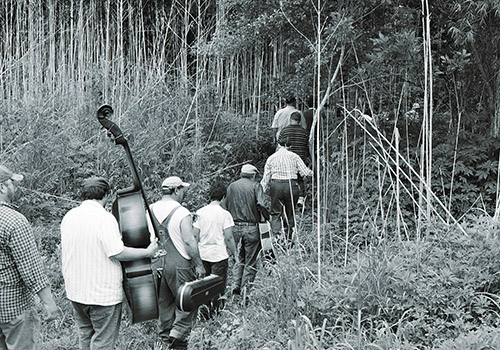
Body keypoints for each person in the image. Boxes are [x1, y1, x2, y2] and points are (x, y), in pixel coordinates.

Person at [60, 176, 158, 350]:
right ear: (107, 194)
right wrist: (147, 252)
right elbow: (117, 251)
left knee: (86, 336)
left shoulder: (69, 216)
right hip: (101, 296)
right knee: (103, 343)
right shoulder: (104, 218)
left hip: (76, 292)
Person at [0, 165, 58, 350]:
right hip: (14, 308)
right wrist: (48, 303)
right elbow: (31, 269)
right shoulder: (14, 220)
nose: (15, 187)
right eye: (12, 182)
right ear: (2, 187)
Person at [149, 176, 206, 350]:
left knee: (164, 304)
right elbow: (189, 241)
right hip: (179, 265)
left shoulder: (149, 209)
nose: (183, 194)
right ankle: (178, 341)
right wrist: (199, 264)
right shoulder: (181, 212)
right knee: (186, 304)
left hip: (156, 263)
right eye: (182, 190)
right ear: (175, 190)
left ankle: (164, 339)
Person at [221, 164, 269, 296]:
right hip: (251, 226)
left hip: (234, 227)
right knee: (250, 260)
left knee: (238, 257)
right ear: (253, 175)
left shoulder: (231, 186)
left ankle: (235, 285)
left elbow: (223, 205)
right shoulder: (256, 186)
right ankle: (245, 291)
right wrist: (266, 217)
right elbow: (261, 204)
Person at [193, 180, 236, 318]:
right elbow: (229, 238)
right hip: (219, 255)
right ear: (224, 197)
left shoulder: (200, 212)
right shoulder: (225, 214)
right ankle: (217, 314)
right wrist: (235, 254)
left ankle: (205, 314)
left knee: (204, 286)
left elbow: (195, 236)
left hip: (203, 254)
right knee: (217, 287)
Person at [260, 137, 313, 243]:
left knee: (276, 212)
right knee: (291, 211)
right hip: (291, 185)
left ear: (278, 145)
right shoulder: (294, 156)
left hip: (276, 185)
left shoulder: (271, 158)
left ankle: (277, 237)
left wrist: (261, 192)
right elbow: (305, 173)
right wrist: (313, 172)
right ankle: (289, 237)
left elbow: (266, 178)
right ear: (289, 146)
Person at [277, 111, 310, 207]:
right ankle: (300, 198)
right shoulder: (304, 132)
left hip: (285, 157)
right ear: (299, 121)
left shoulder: (284, 131)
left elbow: (279, 143)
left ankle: (286, 197)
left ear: (290, 120)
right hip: (300, 157)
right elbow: (307, 145)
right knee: (299, 178)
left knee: (287, 176)